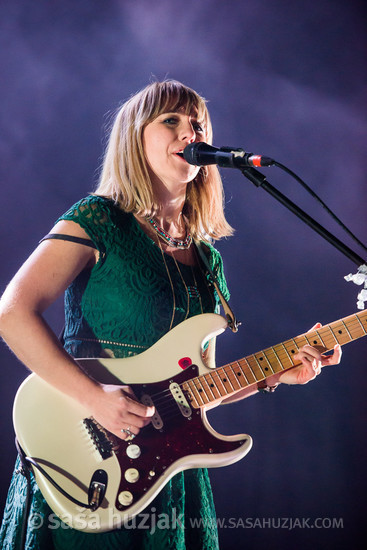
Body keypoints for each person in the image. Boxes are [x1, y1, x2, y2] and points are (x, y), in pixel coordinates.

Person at [0, 80, 341, 550]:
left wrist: (275, 374)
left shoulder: (208, 259)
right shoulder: (99, 219)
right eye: (172, 121)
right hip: (85, 463)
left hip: (168, 476)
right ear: (134, 137)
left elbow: (200, 389)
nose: (191, 132)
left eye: (198, 123)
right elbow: (12, 312)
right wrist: (95, 399)